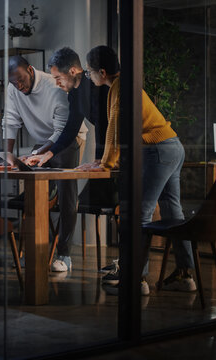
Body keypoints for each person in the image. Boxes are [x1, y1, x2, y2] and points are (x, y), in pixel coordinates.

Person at [84, 45, 195, 296]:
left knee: (138, 215)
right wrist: (107, 160)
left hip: (158, 150)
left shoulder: (118, 88)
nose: (89, 77)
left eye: (90, 72)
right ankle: (185, 275)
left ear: (102, 72)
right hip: (173, 146)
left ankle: (135, 279)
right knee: (173, 214)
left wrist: (105, 164)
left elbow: (116, 128)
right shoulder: (128, 84)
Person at [3, 55, 87, 272]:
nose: (19, 86)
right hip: (42, 141)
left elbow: (62, 132)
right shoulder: (13, 87)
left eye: (21, 80)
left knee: (67, 192)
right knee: (35, 192)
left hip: (68, 138)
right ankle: (35, 251)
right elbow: (10, 121)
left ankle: (64, 254)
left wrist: (38, 153)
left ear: (30, 70)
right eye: (14, 82)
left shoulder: (54, 85)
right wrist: (8, 155)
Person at [25, 47, 108, 169]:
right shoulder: (74, 94)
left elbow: (102, 123)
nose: (57, 83)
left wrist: (98, 160)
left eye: (58, 78)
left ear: (73, 71)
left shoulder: (93, 84)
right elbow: (70, 129)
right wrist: (47, 154)